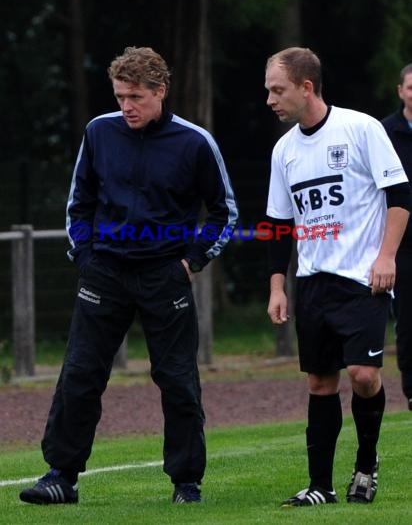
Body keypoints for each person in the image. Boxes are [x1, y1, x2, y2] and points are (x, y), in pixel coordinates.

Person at [19, 46, 238, 505]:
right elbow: (79, 200)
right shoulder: (99, 132)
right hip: (105, 273)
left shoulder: (195, 142)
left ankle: (186, 483)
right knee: (80, 373)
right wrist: (85, 258)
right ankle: (61, 476)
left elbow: (225, 212)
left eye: (135, 96)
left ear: (160, 91)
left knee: (177, 378)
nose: (126, 106)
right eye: (120, 96)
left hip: (165, 274)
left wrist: (191, 261)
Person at [264, 47, 410, 507]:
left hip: (362, 278)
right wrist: (276, 286)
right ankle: (321, 486)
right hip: (312, 283)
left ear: (306, 87)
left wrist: (387, 257)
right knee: (320, 383)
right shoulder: (283, 150)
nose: (270, 99)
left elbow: (401, 194)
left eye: (277, 89)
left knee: (364, 375)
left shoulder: (361, 129)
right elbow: (277, 224)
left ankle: (366, 466)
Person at [381, 64, 412, 409]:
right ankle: (411, 388)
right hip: (402, 243)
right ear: (400, 91)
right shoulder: (385, 132)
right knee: (407, 318)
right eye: (411, 87)